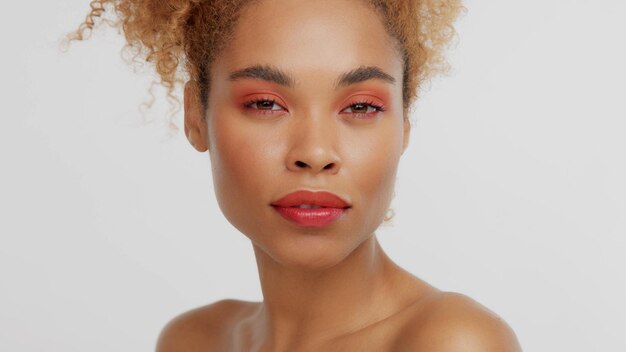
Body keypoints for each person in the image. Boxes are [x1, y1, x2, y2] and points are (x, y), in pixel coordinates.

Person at [68, 0, 522, 350]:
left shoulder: (452, 341)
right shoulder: (191, 341)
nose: (315, 153)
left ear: (404, 126)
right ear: (195, 116)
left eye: (361, 107)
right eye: (266, 104)